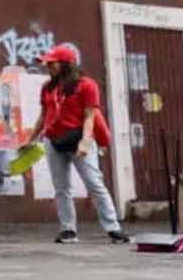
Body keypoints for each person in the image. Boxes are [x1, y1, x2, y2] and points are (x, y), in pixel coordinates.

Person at [23, 45, 130, 245]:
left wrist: (85, 142)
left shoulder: (87, 85)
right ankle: (68, 230)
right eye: (47, 63)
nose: (48, 67)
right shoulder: (48, 88)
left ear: (65, 64)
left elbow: (90, 116)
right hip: (53, 140)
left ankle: (113, 228)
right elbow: (43, 116)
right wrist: (29, 140)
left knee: (94, 183)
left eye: (52, 63)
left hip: (79, 139)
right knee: (61, 188)